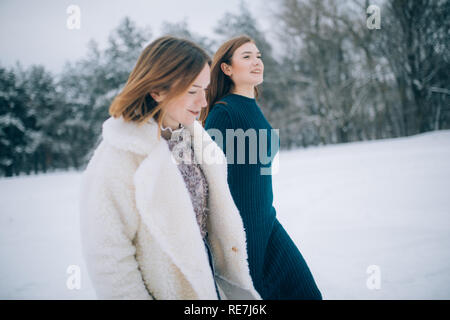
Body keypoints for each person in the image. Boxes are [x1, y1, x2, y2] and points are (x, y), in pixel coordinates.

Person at [79, 36, 261, 300]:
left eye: (205, 89)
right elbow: (108, 258)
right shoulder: (119, 155)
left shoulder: (194, 138)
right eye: (191, 91)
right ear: (157, 90)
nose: (203, 102)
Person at [203, 35, 323, 300]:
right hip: (242, 233)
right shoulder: (224, 113)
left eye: (258, 56)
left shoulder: (250, 106)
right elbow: (206, 178)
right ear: (227, 68)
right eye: (246, 57)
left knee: (306, 293)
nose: (257, 62)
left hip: (267, 222)